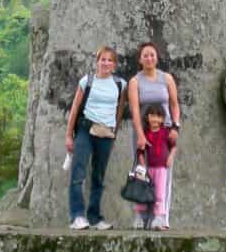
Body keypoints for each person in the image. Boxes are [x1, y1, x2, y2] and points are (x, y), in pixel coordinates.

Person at [65, 45, 126, 231]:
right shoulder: (87, 81)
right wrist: (69, 135)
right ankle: (77, 216)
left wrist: (114, 132)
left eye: (110, 60)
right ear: (97, 62)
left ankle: (95, 217)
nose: (106, 63)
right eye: (103, 59)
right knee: (78, 173)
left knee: (98, 176)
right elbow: (75, 108)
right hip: (85, 129)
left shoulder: (120, 84)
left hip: (106, 132)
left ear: (114, 65)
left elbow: (120, 109)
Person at [128, 40, 180, 226]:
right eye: (145, 55)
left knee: (162, 174)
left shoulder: (166, 78)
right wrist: (140, 134)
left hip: (164, 132)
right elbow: (134, 110)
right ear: (140, 59)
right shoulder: (135, 82)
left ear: (156, 57)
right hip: (143, 131)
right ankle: (142, 216)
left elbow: (174, 105)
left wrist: (175, 126)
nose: (149, 58)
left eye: (152, 55)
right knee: (141, 172)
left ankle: (161, 217)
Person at [133, 102, 176, 230]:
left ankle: (158, 219)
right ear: (147, 117)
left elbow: (173, 146)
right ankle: (141, 218)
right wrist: (142, 165)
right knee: (143, 193)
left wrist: (170, 158)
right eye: (152, 115)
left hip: (161, 169)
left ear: (162, 119)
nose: (155, 119)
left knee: (159, 194)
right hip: (147, 169)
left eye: (158, 116)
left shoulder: (165, 132)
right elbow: (140, 151)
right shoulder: (145, 133)